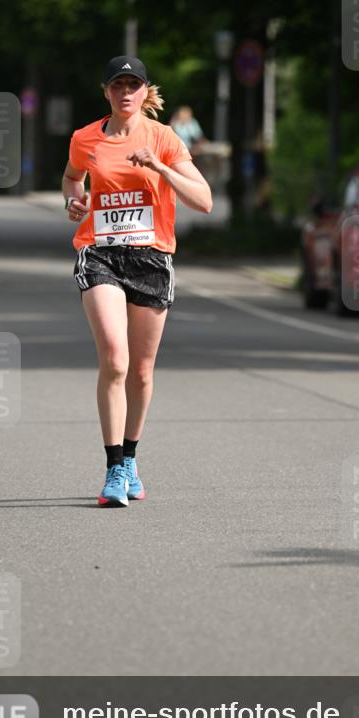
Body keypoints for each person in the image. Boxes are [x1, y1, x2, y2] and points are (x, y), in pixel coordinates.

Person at [62, 55, 213, 506]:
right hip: (100, 254)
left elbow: (203, 200)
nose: (125, 92)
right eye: (117, 85)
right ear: (106, 91)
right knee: (115, 356)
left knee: (142, 373)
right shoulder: (85, 138)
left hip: (151, 258)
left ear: (146, 92)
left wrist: (160, 168)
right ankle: (111, 470)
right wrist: (74, 201)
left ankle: (129, 458)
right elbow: (73, 178)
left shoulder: (164, 138)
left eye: (134, 84)